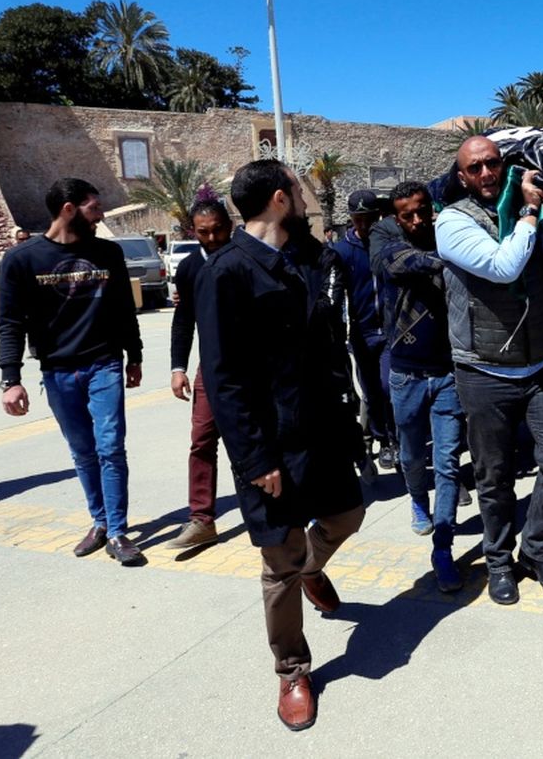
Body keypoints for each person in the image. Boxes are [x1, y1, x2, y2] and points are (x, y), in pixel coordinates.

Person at [193, 159, 365, 731]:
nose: (306, 192)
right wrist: (255, 458)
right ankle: (292, 667)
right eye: (298, 186)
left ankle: (312, 568)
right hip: (270, 444)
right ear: (278, 197)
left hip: (325, 426)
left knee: (348, 515)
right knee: (279, 561)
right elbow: (223, 379)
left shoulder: (315, 257)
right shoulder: (225, 272)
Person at [436, 135, 543, 606]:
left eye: (492, 164)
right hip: (484, 370)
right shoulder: (452, 221)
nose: (486, 174)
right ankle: (499, 560)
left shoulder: (527, 207)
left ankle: (537, 550)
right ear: (462, 177)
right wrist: (524, 216)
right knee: (493, 475)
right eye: (475, 168)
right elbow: (502, 267)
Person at [0, 177, 145, 566]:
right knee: (82, 452)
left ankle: (117, 531)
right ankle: (99, 522)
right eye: (94, 208)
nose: (99, 216)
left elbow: (123, 309)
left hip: (104, 363)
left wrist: (135, 355)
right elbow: (10, 322)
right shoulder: (22, 259)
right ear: (69, 209)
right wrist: (10, 379)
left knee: (110, 447)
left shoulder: (108, 253)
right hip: (57, 370)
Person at [374, 181, 467, 590]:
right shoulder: (386, 236)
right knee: (412, 456)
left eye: (421, 211)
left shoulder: (446, 228)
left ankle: (443, 549)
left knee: (447, 463)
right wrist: (448, 262)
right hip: (406, 372)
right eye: (407, 215)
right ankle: (416, 497)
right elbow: (392, 264)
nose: (416, 219)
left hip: (448, 371)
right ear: (397, 217)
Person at [166, 199, 233, 550]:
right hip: (210, 372)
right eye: (203, 232)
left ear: (230, 223)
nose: (212, 237)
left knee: (251, 441)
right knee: (202, 441)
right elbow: (183, 321)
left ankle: (267, 512)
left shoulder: (245, 257)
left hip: (250, 371)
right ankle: (201, 519)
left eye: (218, 229)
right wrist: (178, 367)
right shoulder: (190, 267)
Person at [331, 189, 398, 475]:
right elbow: (335, 292)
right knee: (370, 390)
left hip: (389, 330)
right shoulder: (342, 250)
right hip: (361, 331)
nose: (363, 225)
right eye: (358, 219)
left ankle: (394, 441)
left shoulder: (387, 244)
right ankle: (381, 437)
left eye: (368, 218)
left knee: (388, 386)